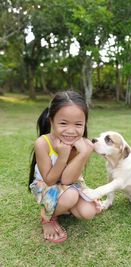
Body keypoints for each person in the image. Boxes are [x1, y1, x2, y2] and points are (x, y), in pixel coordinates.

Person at [29, 91, 102, 243]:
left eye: (78, 124)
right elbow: (50, 180)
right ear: (51, 121)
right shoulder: (43, 143)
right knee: (70, 196)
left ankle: (63, 207)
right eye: (63, 123)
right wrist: (62, 157)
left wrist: (82, 154)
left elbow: (68, 179)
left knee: (88, 212)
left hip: (70, 184)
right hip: (45, 184)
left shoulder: (85, 145)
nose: (71, 130)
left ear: (84, 124)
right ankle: (46, 216)